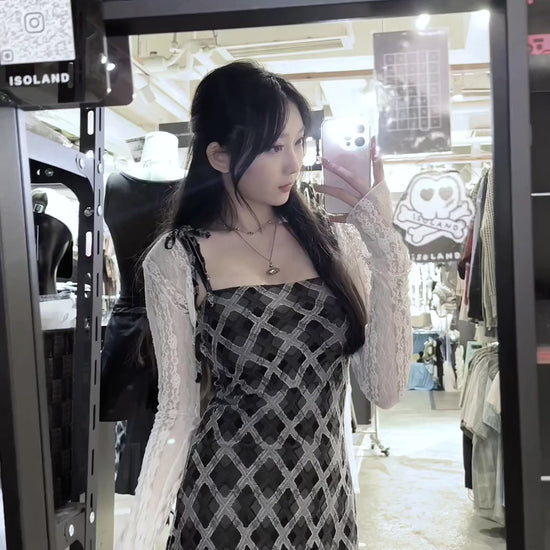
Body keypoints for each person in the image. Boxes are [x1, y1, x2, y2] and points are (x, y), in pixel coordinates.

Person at [117, 60, 411, 550]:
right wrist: (140, 536)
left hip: (323, 505)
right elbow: (177, 412)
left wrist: (386, 248)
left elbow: (383, 389)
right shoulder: (177, 257)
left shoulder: (336, 244)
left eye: (299, 142)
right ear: (219, 155)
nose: (293, 163)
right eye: (274, 147)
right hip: (224, 504)